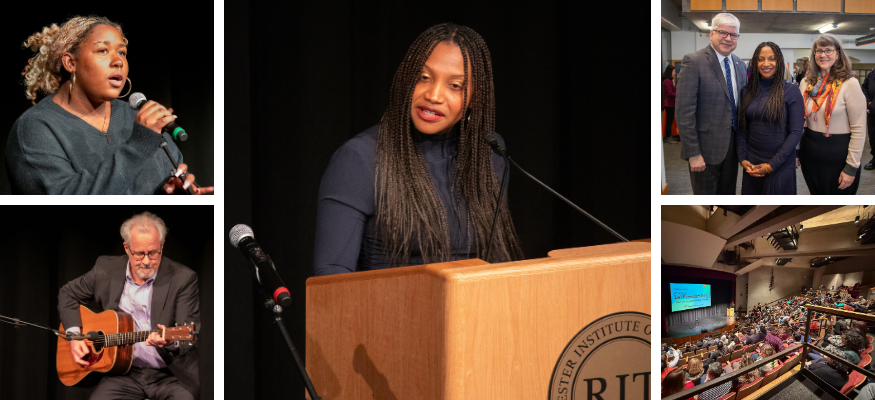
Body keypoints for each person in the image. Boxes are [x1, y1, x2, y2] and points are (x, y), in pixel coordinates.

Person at [312, 23, 523, 276]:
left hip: (472, 313)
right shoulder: (360, 159)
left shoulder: (488, 155)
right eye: (423, 77)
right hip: (387, 311)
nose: (434, 95)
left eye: (455, 85)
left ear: (475, 98)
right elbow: (331, 276)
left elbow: (495, 261)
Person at [5, 16, 212, 195]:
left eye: (122, 53)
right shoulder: (35, 128)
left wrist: (172, 195)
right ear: (70, 63)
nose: (118, 61)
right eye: (103, 50)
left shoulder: (137, 118)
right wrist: (138, 146)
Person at [57, 212, 200, 399]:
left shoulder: (182, 278)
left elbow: (189, 334)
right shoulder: (106, 270)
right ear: (127, 248)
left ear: (162, 246)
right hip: (122, 374)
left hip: (170, 375)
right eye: (139, 254)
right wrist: (74, 337)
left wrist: (170, 341)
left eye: (153, 253)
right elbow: (67, 294)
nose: (147, 261)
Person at [676, 13, 748, 195]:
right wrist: (693, 153)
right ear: (711, 33)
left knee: (728, 199)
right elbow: (684, 112)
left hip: (732, 148)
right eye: (722, 32)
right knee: (705, 202)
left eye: (733, 35)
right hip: (704, 150)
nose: (728, 38)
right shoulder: (694, 61)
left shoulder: (739, 64)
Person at [799, 33, 866, 194]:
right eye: (819, 51)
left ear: (837, 54)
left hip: (838, 158)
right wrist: (796, 151)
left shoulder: (850, 84)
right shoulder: (806, 83)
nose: (823, 55)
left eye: (828, 50)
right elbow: (799, 121)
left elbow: (859, 129)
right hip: (810, 155)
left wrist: (851, 167)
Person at [736, 41, 804, 194]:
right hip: (752, 164)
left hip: (779, 164)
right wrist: (743, 159)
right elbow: (743, 128)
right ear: (755, 62)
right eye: (761, 59)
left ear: (779, 61)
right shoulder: (747, 91)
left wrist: (771, 166)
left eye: (771, 59)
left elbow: (796, 132)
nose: (766, 64)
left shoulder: (791, 90)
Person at [861, 67, 875, 170]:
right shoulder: (871, 74)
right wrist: (868, 102)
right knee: (873, 136)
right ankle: (874, 158)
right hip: (872, 112)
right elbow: (864, 88)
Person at [662, 65, 679, 143]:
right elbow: (670, 93)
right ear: (670, 72)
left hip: (672, 104)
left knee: (671, 121)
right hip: (669, 104)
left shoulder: (670, 81)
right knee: (669, 122)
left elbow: (674, 91)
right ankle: (668, 137)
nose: (675, 73)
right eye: (674, 72)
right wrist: (678, 95)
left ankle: (670, 135)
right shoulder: (667, 81)